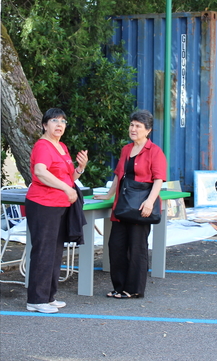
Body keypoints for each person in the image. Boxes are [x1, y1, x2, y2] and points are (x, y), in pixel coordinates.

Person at [95, 110, 166, 299]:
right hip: (122, 205)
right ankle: (119, 287)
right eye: (132, 125)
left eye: (138, 126)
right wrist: (108, 195)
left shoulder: (155, 151)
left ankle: (133, 289)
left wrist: (150, 202)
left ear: (148, 130)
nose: (133, 129)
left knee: (137, 248)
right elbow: (119, 175)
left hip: (141, 206)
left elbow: (159, 179)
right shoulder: (126, 149)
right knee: (115, 246)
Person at [24, 108, 88, 313]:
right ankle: (36, 299)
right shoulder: (43, 146)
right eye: (54, 121)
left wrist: (80, 168)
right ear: (44, 125)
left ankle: (49, 296)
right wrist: (67, 189)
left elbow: (68, 178)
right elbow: (40, 172)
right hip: (43, 204)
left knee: (55, 252)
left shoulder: (62, 147)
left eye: (63, 121)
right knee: (43, 251)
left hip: (60, 205)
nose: (59, 125)